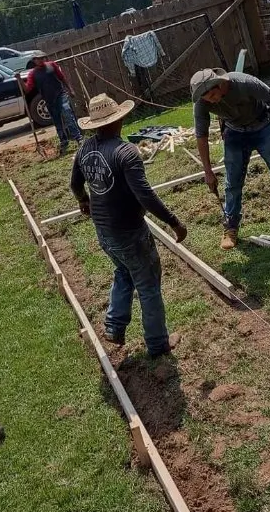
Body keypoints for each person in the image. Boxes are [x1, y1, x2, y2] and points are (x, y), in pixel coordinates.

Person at [70, 93, 187, 357]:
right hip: (130, 232)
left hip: (104, 232)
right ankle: (158, 343)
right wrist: (174, 222)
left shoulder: (84, 149)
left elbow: (75, 184)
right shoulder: (126, 153)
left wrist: (83, 201)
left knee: (124, 272)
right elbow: (144, 195)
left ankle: (114, 326)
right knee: (148, 285)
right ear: (118, 120)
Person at [191, 68, 270, 250]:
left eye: (212, 95)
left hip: (264, 126)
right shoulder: (202, 102)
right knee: (232, 183)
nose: (210, 101)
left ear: (220, 84)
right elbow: (201, 136)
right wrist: (208, 171)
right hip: (234, 132)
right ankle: (230, 228)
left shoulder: (245, 83)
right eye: (206, 99)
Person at [24, 55, 82, 155]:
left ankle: (79, 138)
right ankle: (64, 142)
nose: (41, 60)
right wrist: (19, 80)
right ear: (34, 60)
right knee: (57, 122)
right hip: (49, 100)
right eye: (38, 59)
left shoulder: (51, 65)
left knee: (67, 114)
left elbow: (62, 78)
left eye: (42, 58)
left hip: (60, 94)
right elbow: (27, 89)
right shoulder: (33, 74)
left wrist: (70, 89)